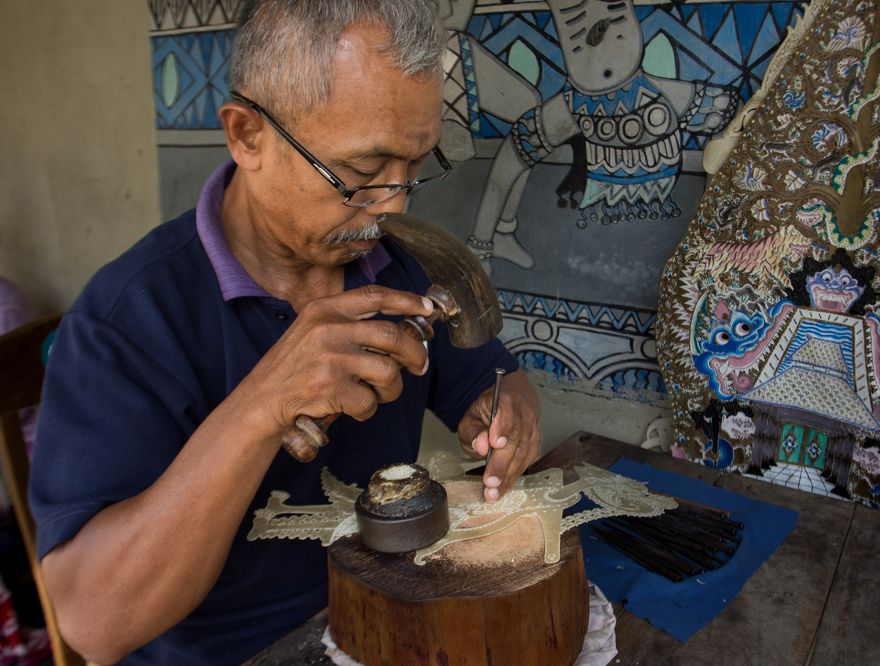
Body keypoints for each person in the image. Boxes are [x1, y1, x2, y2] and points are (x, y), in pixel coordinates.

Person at [28, 1, 541, 663]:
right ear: (247, 136)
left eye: (415, 168)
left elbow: (494, 379)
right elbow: (93, 623)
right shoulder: (128, 320)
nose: (393, 206)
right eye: (359, 174)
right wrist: (263, 405)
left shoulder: (398, 263)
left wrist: (510, 415)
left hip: (387, 617)